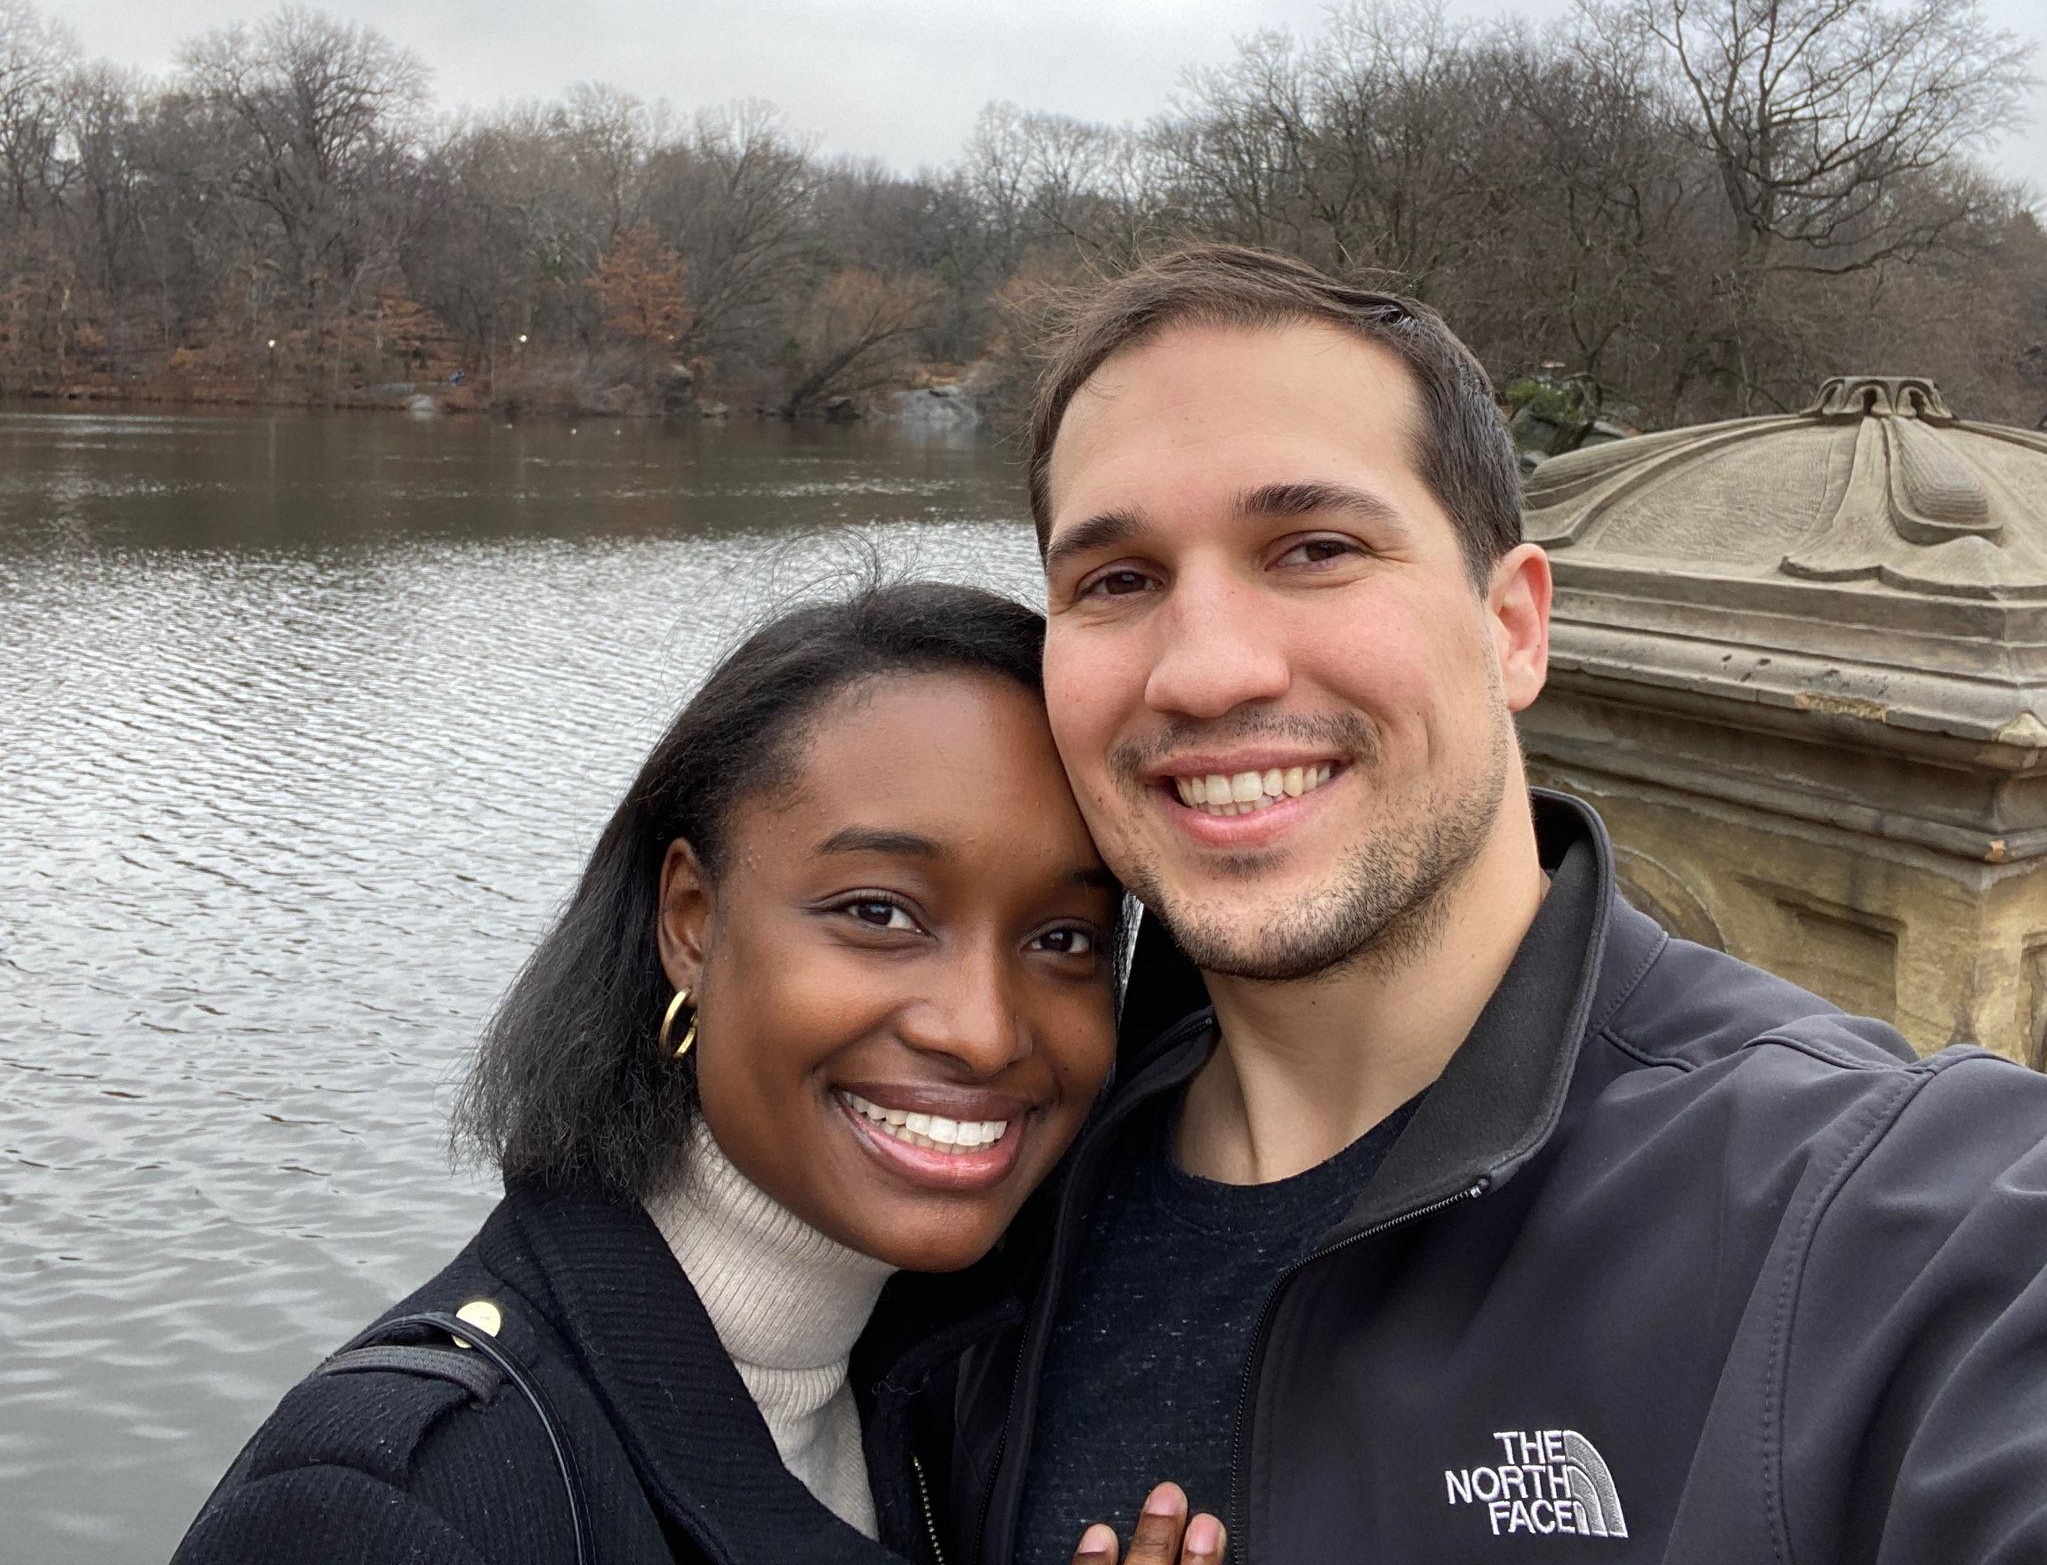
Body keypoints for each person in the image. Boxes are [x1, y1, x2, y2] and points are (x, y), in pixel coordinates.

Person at [941, 245, 2047, 1565]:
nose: (1205, 671)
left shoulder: (1875, 1213)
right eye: (1117, 580)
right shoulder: (1009, 1172)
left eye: (1314, 548)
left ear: (1513, 627)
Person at [172, 580, 1226, 1565]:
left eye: (1063, 937)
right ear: (691, 921)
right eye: (878, 912)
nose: (985, 1032)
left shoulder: (947, 1386)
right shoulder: (395, 1507)